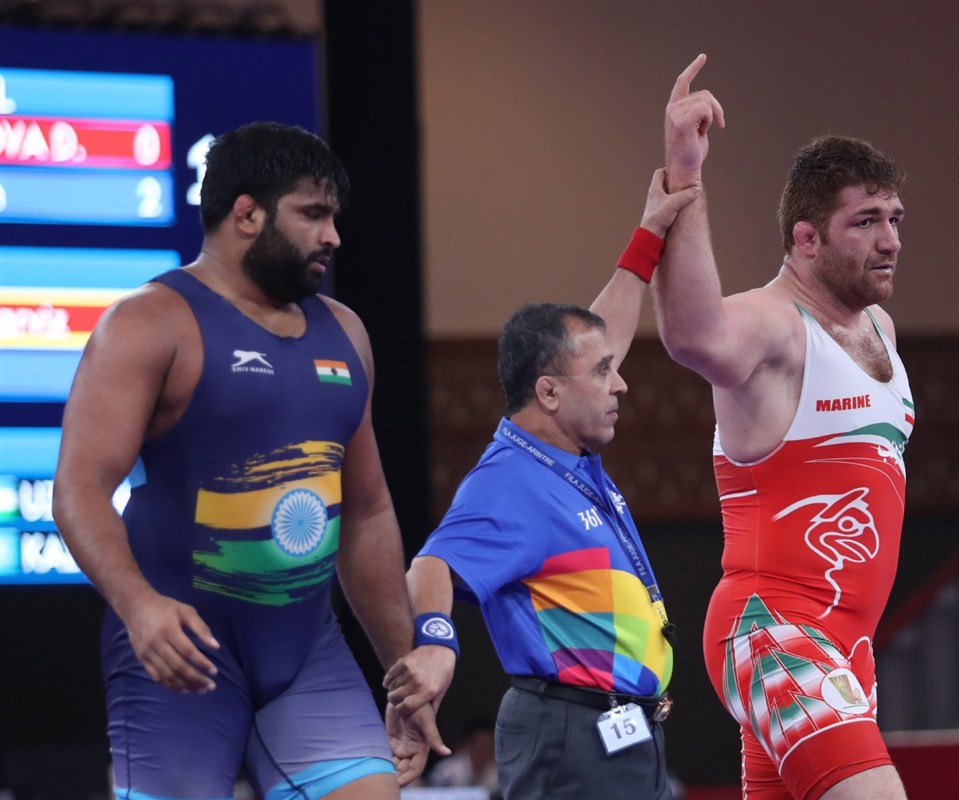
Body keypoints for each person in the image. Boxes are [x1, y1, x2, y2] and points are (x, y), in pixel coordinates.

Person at [52, 122, 440, 799]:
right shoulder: (149, 323)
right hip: (180, 654)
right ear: (246, 213)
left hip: (307, 654)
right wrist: (140, 608)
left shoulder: (345, 333)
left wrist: (403, 674)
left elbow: (367, 510)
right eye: (313, 214)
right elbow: (79, 488)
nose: (332, 236)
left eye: (334, 218)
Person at [381, 169, 699, 798]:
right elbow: (429, 567)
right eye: (604, 372)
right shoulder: (509, 481)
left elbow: (604, 331)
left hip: (622, 732)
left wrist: (651, 231)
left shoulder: (567, 453)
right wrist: (437, 645)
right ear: (548, 392)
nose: (621, 383)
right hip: (573, 736)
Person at [653, 55, 914, 800]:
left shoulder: (880, 330)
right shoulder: (775, 324)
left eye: (894, 220)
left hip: (847, 649)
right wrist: (685, 173)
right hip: (773, 627)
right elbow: (693, 335)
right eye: (865, 222)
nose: (890, 241)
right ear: (806, 239)